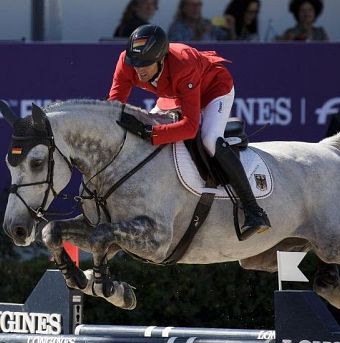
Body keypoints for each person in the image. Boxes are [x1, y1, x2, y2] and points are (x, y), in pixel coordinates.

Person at [108, 24, 270, 239]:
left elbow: (189, 126)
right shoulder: (126, 61)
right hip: (175, 92)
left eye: (145, 64)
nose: (139, 70)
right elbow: (113, 107)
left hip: (213, 88)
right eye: (135, 63)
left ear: (161, 59)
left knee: (209, 139)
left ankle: (253, 210)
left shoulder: (183, 63)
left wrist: (149, 132)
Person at [168, 0, 232, 42]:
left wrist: (230, 28)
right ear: (183, 8)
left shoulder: (207, 23)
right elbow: (177, 52)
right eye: (192, 5)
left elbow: (228, 41)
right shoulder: (176, 28)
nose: (196, 8)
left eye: (199, 4)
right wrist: (198, 36)